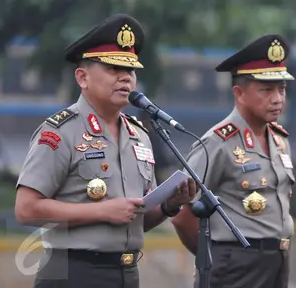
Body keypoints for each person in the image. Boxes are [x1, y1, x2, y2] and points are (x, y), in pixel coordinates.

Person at [14, 14, 196, 288]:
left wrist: (169, 206)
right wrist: (101, 211)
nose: (125, 77)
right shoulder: (60, 132)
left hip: (126, 272)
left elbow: (136, 219)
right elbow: (26, 210)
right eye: (113, 68)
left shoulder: (140, 136)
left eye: (131, 70)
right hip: (71, 271)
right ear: (82, 77)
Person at [171, 34, 296, 288]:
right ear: (239, 93)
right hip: (234, 264)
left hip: (277, 260)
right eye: (267, 89)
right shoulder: (218, 142)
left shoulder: (279, 139)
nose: (278, 98)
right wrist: (216, 257)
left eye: (282, 88)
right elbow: (182, 213)